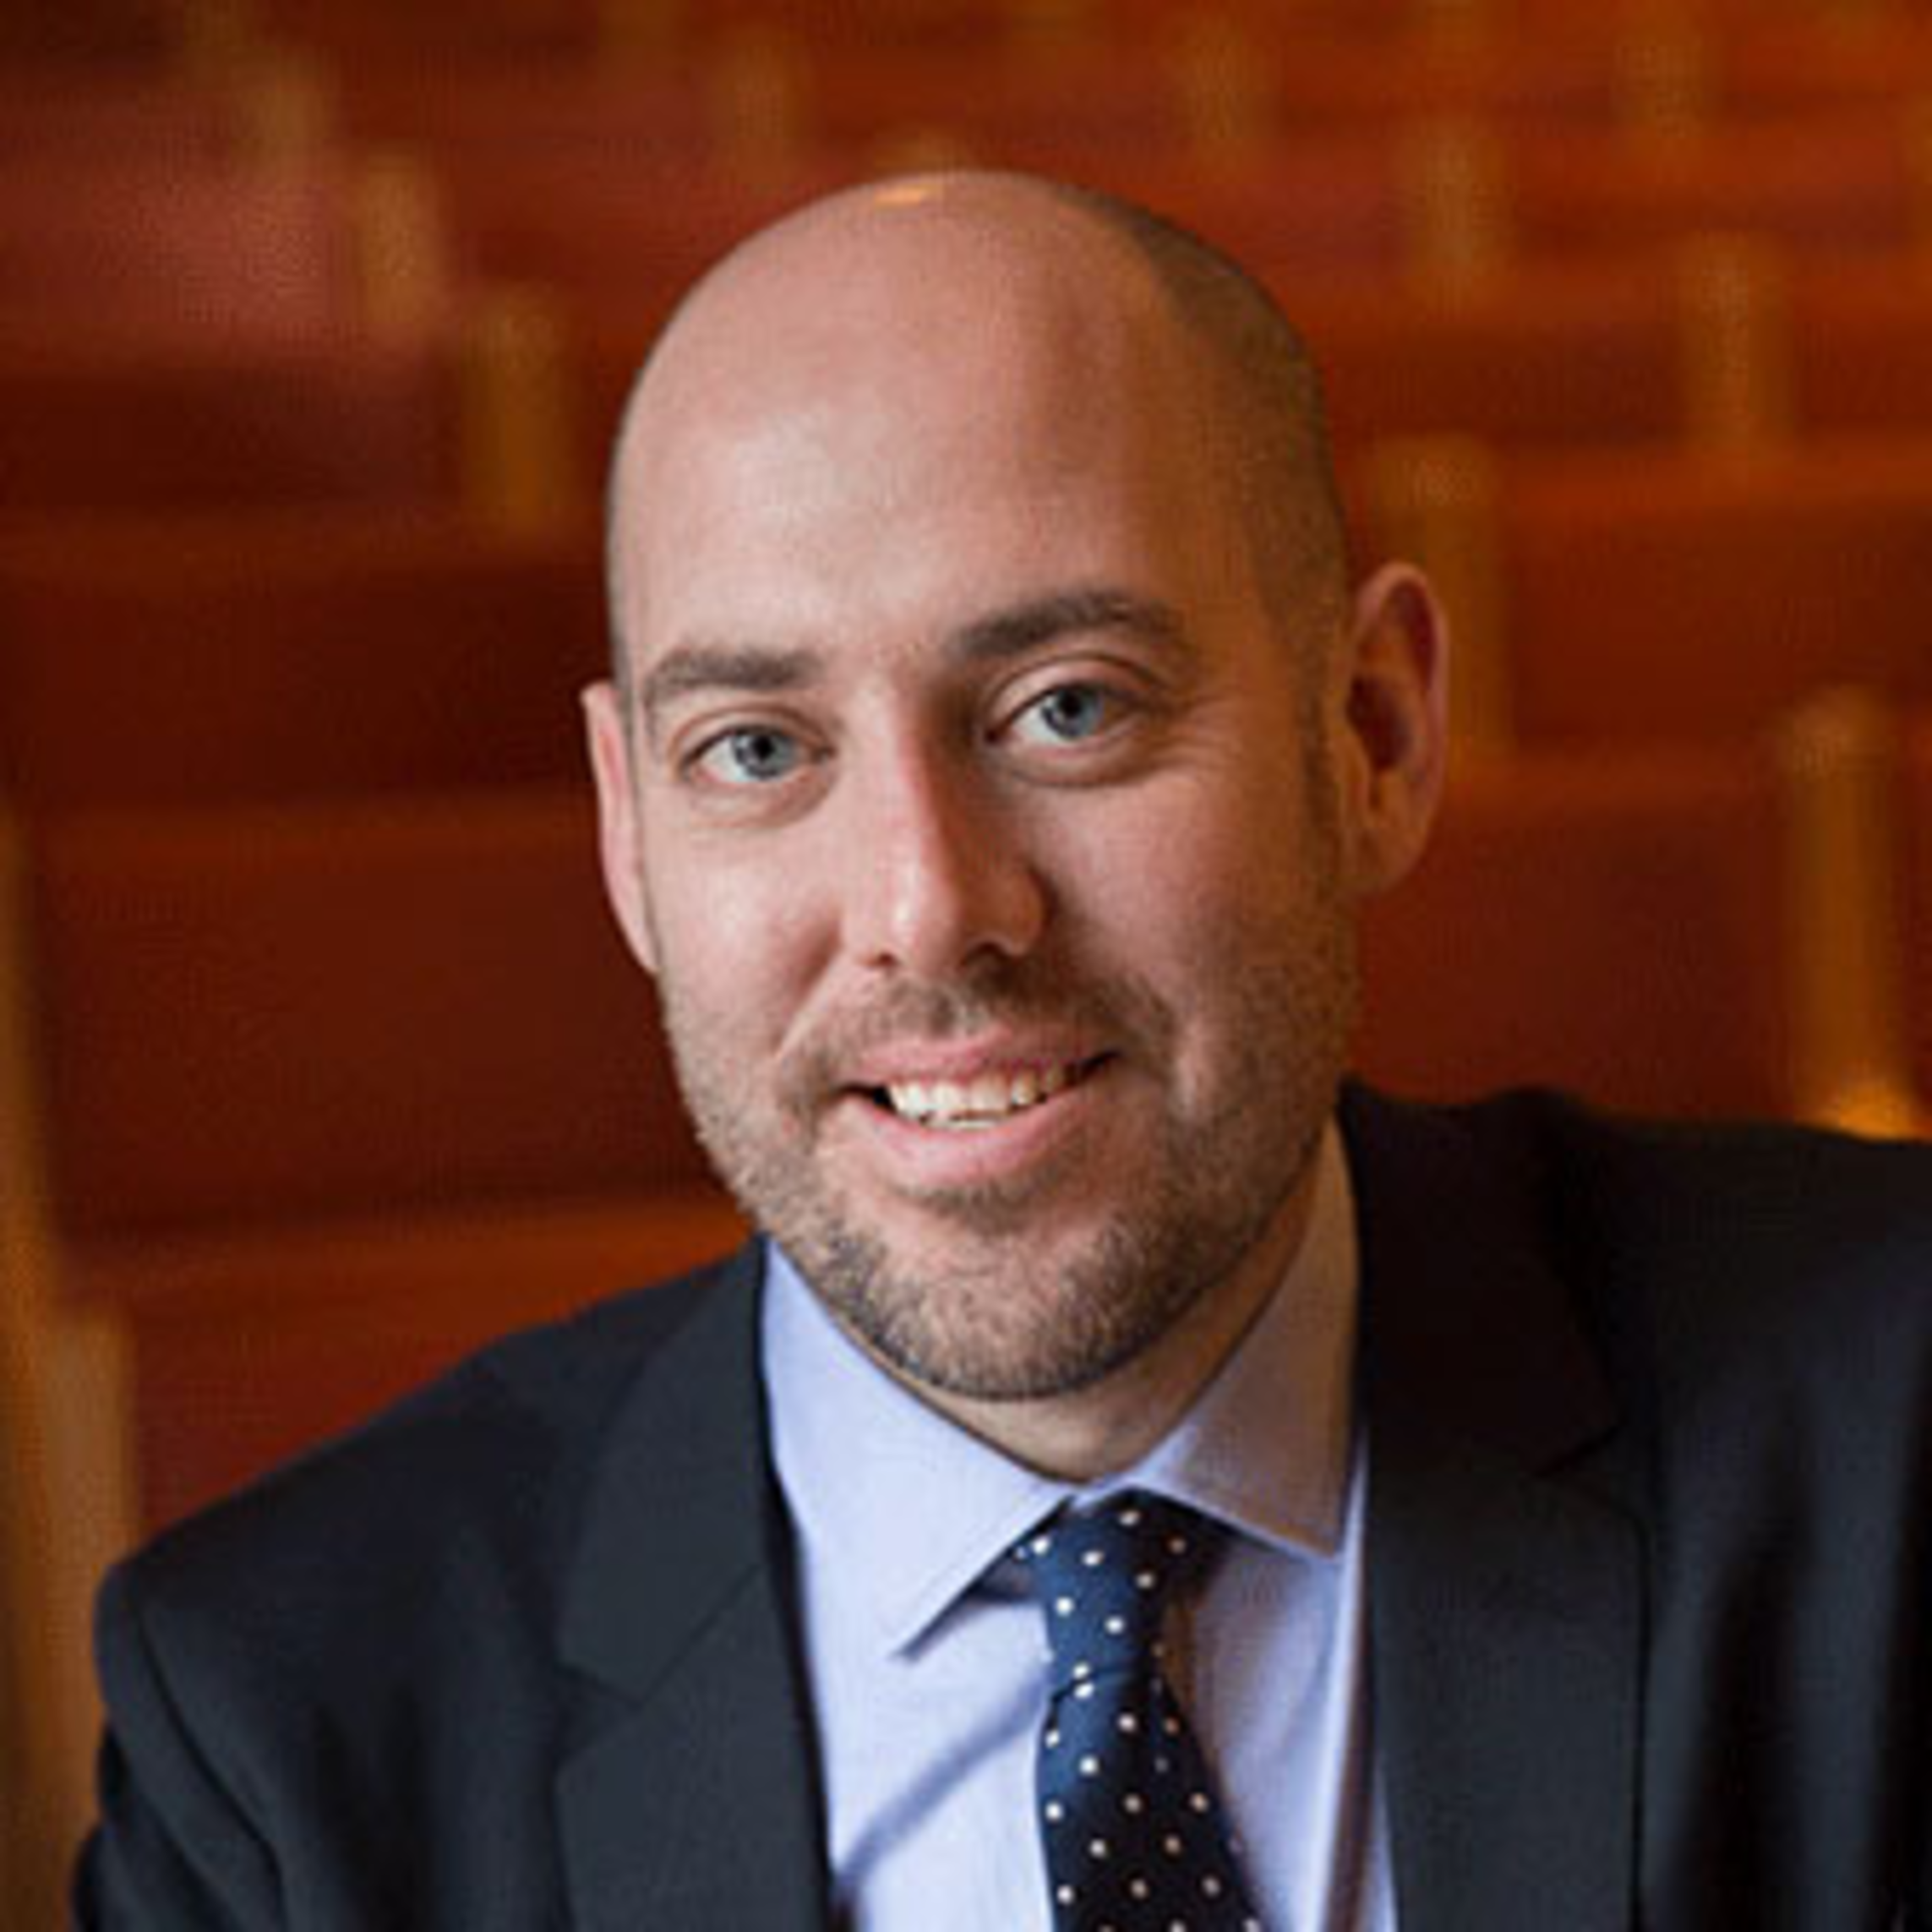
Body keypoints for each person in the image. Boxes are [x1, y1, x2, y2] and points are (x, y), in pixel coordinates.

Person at [76, 172, 1929, 1930]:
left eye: (1067, 709)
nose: (929, 906)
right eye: (757, 749)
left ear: (1371, 735)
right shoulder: (288, 1732)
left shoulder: (1896, 1424)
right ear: (630, 838)